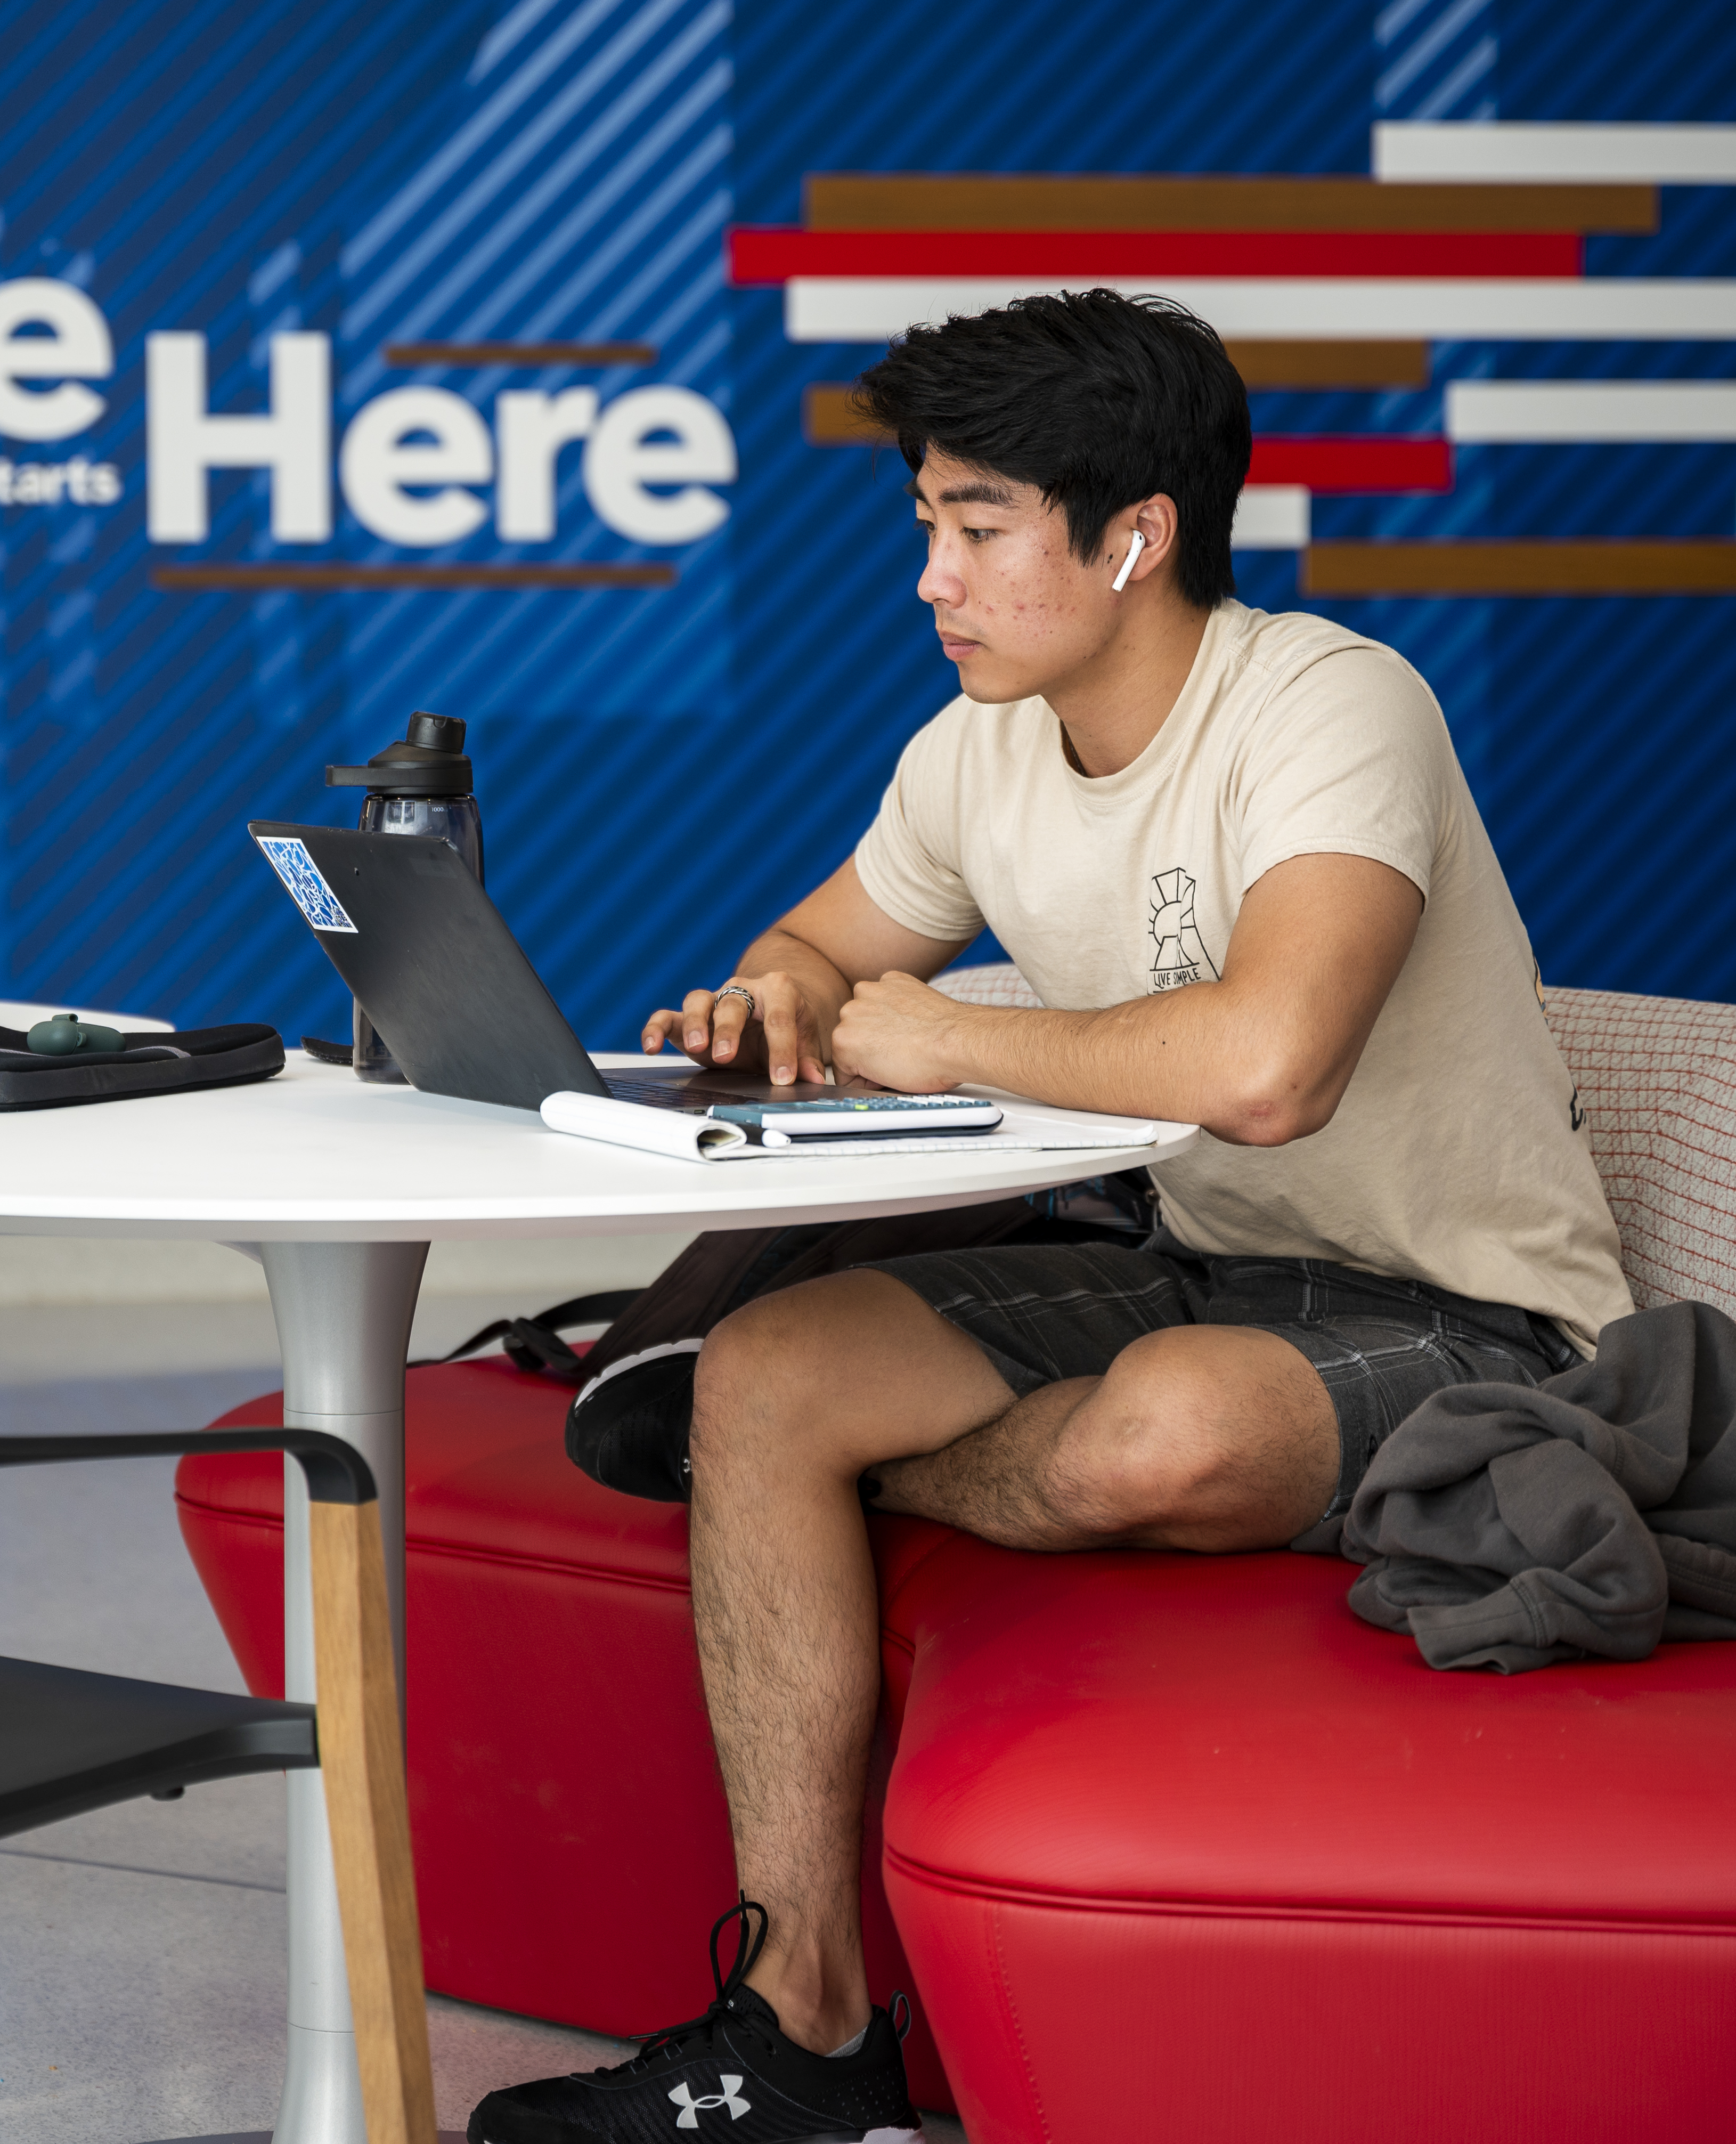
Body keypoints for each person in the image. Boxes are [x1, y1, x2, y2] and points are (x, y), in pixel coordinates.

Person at [463, 290, 1634, 2144]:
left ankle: (807, 1481)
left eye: (979, 526)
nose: (933, 574)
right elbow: (820, 947)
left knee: (1162, 1423)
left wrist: (953, 1029)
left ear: (1137, 536)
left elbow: (1272, 1068)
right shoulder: (975, 750)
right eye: (926, 523)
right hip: (1196, 1266)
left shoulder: (1331, 705)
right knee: (768, 1370)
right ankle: (803, 2036)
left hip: (1470, 1313)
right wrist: (769, 999)